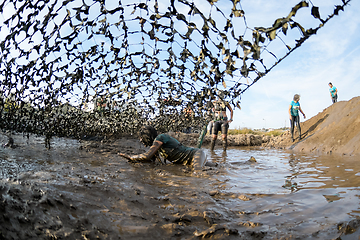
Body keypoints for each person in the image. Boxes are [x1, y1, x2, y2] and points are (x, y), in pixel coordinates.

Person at [118, 126, 207, 170]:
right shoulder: (157, 148)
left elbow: (147, 156)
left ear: (148, 136)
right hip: (187, 161)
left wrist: (131, 157)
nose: (141, 140)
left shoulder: (160, 138)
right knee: (213, 167)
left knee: (197, 173)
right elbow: (150, 160)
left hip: (195, 154)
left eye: (142, 137)